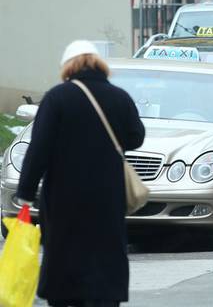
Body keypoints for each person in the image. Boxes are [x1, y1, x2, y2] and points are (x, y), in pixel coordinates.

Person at [16, 40, 145, 307]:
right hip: (108, 195)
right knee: (106, 249)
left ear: (68, 66)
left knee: (65, 250)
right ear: (99, 64)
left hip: (65, 196)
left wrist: (26, 193)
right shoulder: (120, 97)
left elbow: (38, 149)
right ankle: (105, 298)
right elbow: (136, 137)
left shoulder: (57, 98)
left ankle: (65, 297)